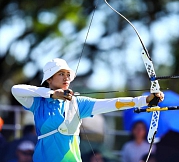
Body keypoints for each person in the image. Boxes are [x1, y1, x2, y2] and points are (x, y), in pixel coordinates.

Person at [11, 58, 164, 162]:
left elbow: (113, 103)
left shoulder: (78, 103)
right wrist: (52, 94)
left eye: (68, 74)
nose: (66, 78)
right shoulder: (39, 102)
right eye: (61, 74)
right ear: (49, 79)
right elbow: (16, 89)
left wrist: (144, 100)